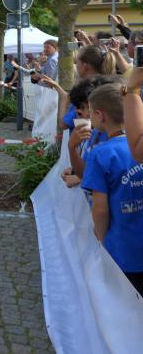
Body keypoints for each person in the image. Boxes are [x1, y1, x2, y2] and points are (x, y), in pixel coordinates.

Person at [82, 83, 143, 296]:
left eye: (91, 112)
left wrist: (101, 237)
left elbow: (100, 209)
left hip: (122, 249)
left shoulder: (100, 154)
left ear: (100, 115)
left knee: (124, 304)